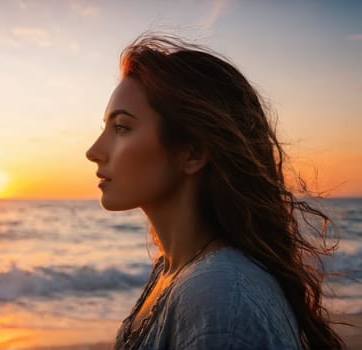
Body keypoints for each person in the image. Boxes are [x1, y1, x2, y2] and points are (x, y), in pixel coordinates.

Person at [85, 34, 343, 349]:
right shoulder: (173, 270)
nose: (94, 151)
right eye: (105, 129)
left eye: (121, 128)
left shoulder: (218, 295)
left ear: (192, 153)